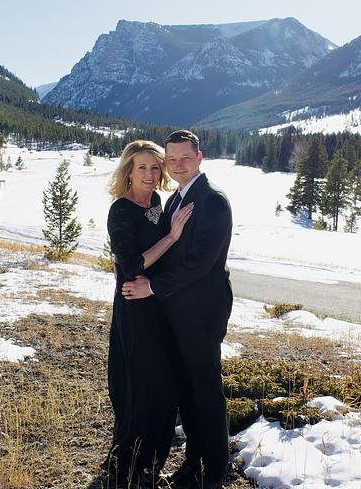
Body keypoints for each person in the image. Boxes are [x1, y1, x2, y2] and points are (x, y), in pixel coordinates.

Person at [123, 130, 233, 489]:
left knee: (205, 391)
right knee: (187, 392)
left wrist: (152, 287)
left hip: (201, 314)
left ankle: (214, 472)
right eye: (171, 159)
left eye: (185, 157)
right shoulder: (174, 199)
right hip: (176, 313)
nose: (178, 164)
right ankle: (193, 465)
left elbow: (201, 262)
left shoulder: (212, 201)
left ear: (199, 159)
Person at [104, 140, 194, 488]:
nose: (149, 174)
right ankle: (126, 464)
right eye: (141, 167)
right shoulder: (120, 210)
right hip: (135, 307)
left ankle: (150, 462)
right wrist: (172, 237)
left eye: (155, 167)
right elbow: (130, 265)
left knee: (165, 386)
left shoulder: (157, 202)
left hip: (159, 303)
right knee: (140, 385)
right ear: (128, 171)